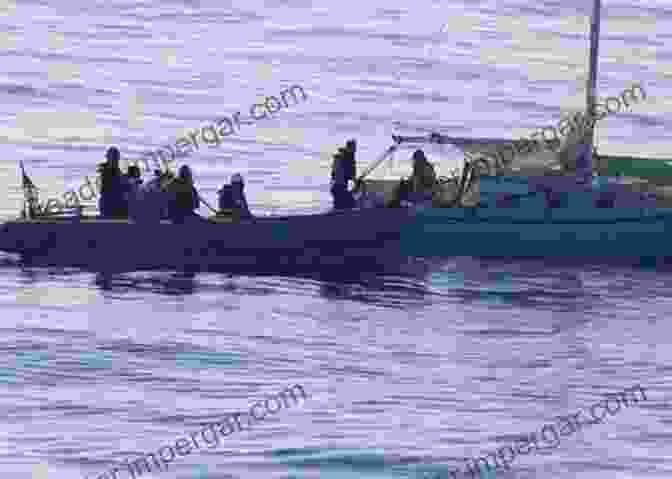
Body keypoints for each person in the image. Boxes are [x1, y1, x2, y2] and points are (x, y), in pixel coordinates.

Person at [98, 146, 131, 218]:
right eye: (114, 158)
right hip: (111, 205)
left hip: (113, 204)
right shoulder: (107, 171)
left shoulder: (115, 170)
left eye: (116, 158)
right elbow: (116, 185)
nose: (116, 160)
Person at [330, 139, 357, 210]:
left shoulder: (343, 156)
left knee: (344, 205)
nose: (355, 149)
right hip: (339, 187)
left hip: (337, 187)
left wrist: (354, 179)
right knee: (350, 204)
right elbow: (347, 173)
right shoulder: (346, 157)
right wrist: (354, 180)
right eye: (354, 147)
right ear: (349, 147)